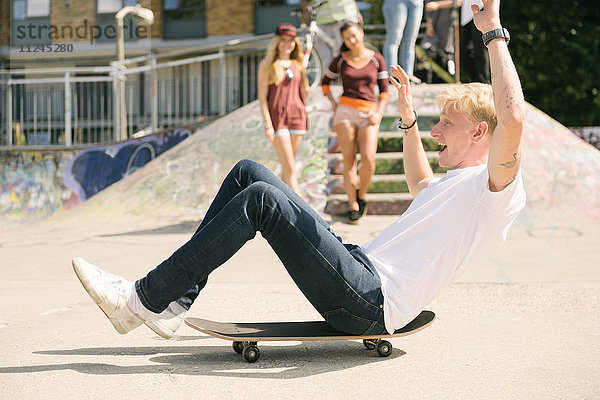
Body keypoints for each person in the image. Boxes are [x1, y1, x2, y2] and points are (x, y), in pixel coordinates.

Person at [72, 0, 525, 340]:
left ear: (482, 133)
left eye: (447, 124)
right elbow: (421, 184)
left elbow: (514, 118)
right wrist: (405, 117)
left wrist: (492, 32)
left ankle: (141, 300)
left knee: (263, 201)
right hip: (356, 264)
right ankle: (175, 301)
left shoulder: (495, 191)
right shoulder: (455, 186)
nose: (436, 131)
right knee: (249, 173)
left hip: (370, 301)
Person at [321, 21, 390, 224]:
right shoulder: (340, 60)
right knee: (348, 159)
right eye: (346, 38)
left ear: (361, 33)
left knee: (368, 159)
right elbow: (325, 82)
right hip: (345, 113)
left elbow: (384, 90)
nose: (351, 41)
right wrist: (334, 104)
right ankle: (353, 205)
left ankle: (361, 195)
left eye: (353, 36)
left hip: (369, 112)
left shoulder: (376, 59)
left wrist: (379, 112)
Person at [258, 24, 309, 194]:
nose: (287, 44)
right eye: (283, 41)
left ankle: (281, 208)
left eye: (291, 41)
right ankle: (304, 213)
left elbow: (305, 91)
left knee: (289, 169)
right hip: (278, 119)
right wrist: (267, 124)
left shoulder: (298, 64)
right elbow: (262, 97)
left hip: (297, 117)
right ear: (277, 42)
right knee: (290, 170)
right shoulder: (268, 64)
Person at [301, 0, 363, 69]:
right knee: (324, 61)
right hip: (321, 22)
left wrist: (357, 12)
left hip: (345, 18)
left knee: (348, 57)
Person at [382, 0, 424, 82]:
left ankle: (408, 75)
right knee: (393, 40)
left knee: (410, 42)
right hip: (396, 2)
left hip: (416, 2)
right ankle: (392, 75)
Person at [418, 0, 457, 83]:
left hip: (447, 24)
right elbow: (428, 6)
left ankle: (448, 78)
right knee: (426, 48)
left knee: (446, 53)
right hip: (434, 24)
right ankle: (428, 79)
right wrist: (429, 24)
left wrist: (438, 5)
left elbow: (458, 2)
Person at [460, 0, 490, 82]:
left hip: (480, 9)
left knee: (480, 49)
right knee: (464, 49)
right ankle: (476, 80)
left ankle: (484, 82)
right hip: (466, 16)